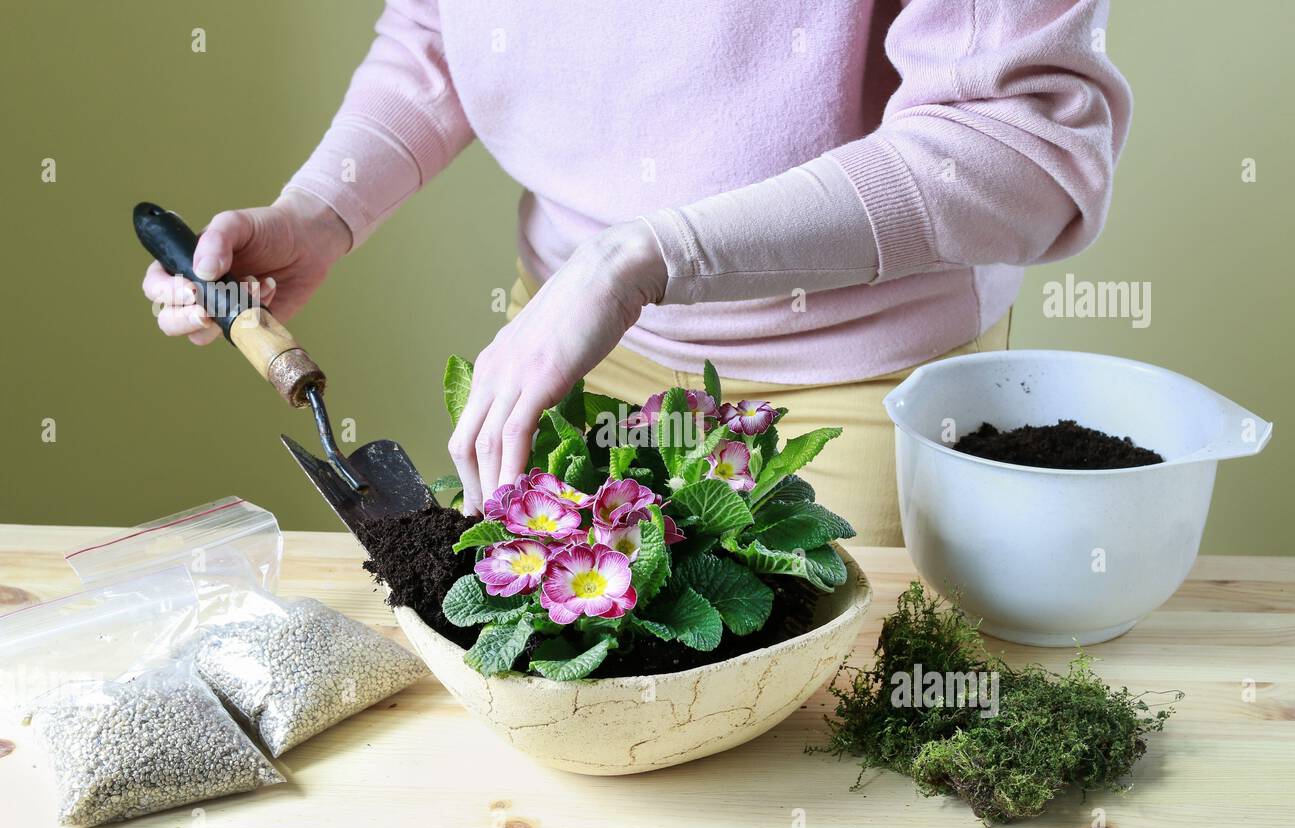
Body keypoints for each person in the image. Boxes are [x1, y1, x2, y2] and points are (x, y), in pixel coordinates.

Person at [142, 0, 1130, 543]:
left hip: (855, 392)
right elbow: (444, 29)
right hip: (566, 362)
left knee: (828, 778)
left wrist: (647, 256)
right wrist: (323, 209)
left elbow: (1018, 149)